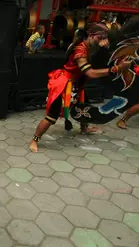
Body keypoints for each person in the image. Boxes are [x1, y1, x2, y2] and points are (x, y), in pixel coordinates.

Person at [29, 23, 133, 153]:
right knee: (52, 116)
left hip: (76, 83)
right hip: (64, 84)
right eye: (99, 38)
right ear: (91, 35)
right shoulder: (80, 50)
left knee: (83, 105)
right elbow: (90, 73)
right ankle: (35, 139)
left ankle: (84, 128)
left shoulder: (89, 46)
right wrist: (117, 69)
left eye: (103, 39)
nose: (101, 41)